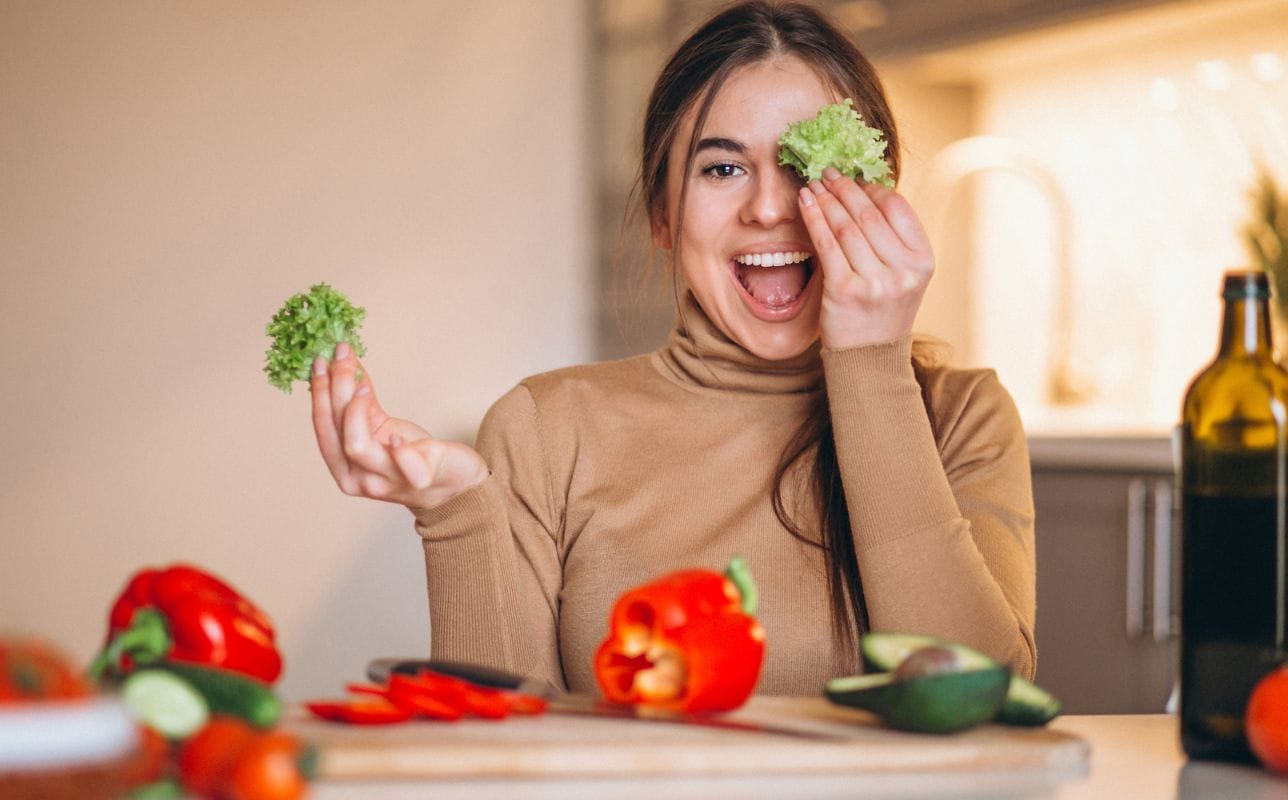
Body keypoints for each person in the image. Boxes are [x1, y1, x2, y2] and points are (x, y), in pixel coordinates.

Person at [307, 0, 1035, 695]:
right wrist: (454, 510)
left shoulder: (962, 417)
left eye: (809, 165)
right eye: (722, 167)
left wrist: (871, 362)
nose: (771, 207)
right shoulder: (544, 429)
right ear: (662, 213)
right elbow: (507, 757)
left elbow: (979, 706)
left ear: (879, 199)